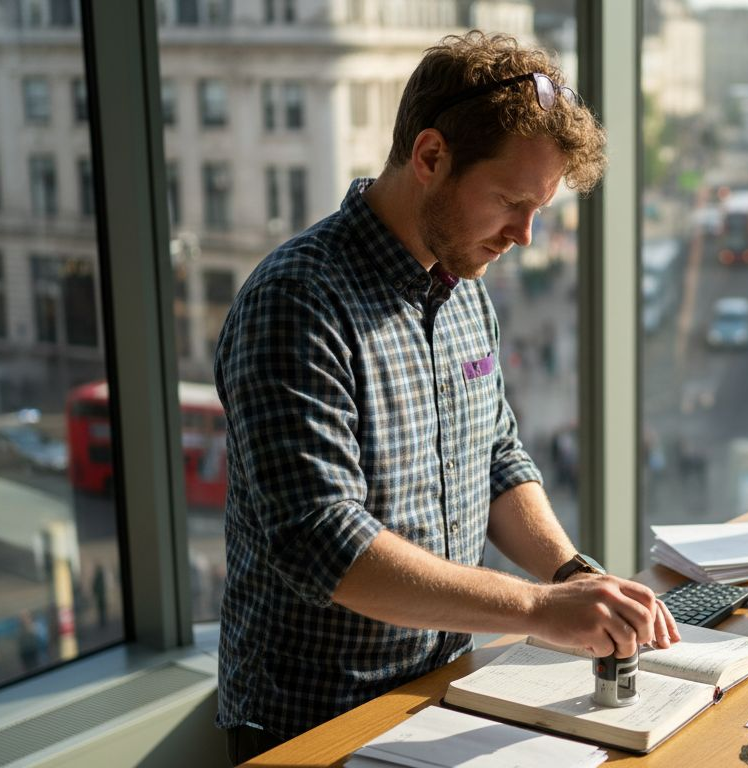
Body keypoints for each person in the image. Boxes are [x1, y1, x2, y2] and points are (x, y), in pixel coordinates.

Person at [213, 32, 680, 765]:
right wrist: (536, 609)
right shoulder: (297, 300)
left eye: (539, 210)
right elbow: (320, 541)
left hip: (438, 692)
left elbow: (496, 457)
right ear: (429, 157)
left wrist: (571, 575)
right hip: (312, 725)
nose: (524, 236)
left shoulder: (464, 291)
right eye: (509, 202)